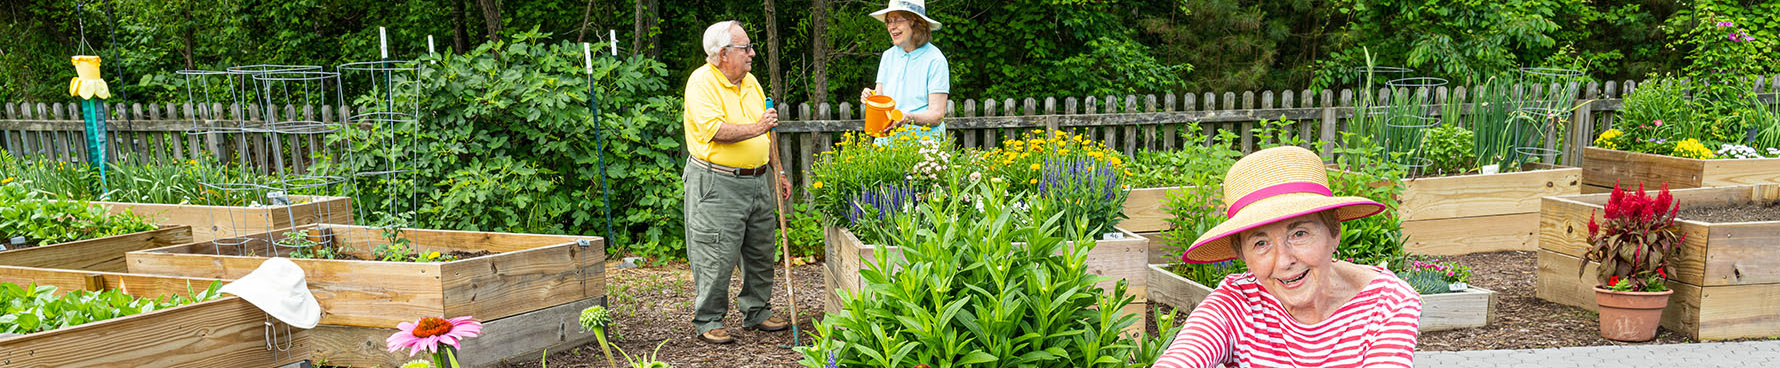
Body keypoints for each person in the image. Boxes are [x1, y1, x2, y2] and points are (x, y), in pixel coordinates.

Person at [1154, 146, 1422, 367]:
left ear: (1334, 231)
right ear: (1242, 254)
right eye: (1260, 243)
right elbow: (1181, 358)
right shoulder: (1236, 303)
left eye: (1299, 234)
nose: (1283, 261)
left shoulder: (1389, 303)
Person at [680, 20, 794, 345]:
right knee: (715, 253)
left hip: (758, 180)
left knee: (760, 250)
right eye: (746, 48)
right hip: (718, 183)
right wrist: (758, 127)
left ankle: (757, 311)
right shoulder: (701, 82)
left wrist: (779, 171)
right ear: (722, 54)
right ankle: (708, 319)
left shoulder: (751, 82)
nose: (752, 53)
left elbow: (768, 130)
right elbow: (715, 131)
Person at [859, 0, 950, 143]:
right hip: (887, 144)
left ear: (915, 22)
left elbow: (937, 115)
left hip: (923, 148)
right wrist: (871, 97)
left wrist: (907, 118)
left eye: (897, 21)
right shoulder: (888, 56)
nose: (891, 27)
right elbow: (881, 97)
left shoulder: (935, 59)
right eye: (889, 21)